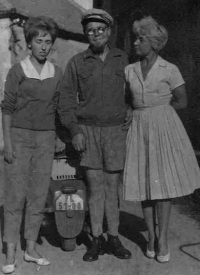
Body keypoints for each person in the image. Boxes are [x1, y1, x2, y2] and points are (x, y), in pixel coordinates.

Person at [123, 15, 200, 263]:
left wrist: (161, 115)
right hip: (138, 129)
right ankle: (152, 238)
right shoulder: (129, 70)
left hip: (164, 130)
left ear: (154, 43)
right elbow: (127, 100)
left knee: (163, 186)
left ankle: (163, 237)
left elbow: (183, 100)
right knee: (144, 184)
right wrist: (131, 113)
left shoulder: (170, 69)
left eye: (140, 38)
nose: (135, 43)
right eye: (135, 38)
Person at [58, 9, 132, 262]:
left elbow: (133, 93)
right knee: (95, 187)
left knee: (112, 187)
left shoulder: (124, 59)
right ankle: (97, 239)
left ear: (108, 31)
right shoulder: (77, 62)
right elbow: (66, 101)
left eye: (100, 29)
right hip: (87, 132)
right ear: (86, 34)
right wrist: (75, 130)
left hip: (115, 132)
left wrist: (131, 108)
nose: (96, 34)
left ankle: (114, 237)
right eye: (90, 30)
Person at [1, 16, 63, 273]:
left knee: (38, 197)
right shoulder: (17, 70)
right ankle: (10, 251)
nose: (44, 46)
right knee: (15, 196)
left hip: (45, 139)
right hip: (19, 137)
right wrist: (8, 143)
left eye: (48, 41)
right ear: (29, 43)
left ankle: (30, 248)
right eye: (39, 41)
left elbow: (58, 109)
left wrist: (58, 137)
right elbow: (6, 109)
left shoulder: (57, 73)